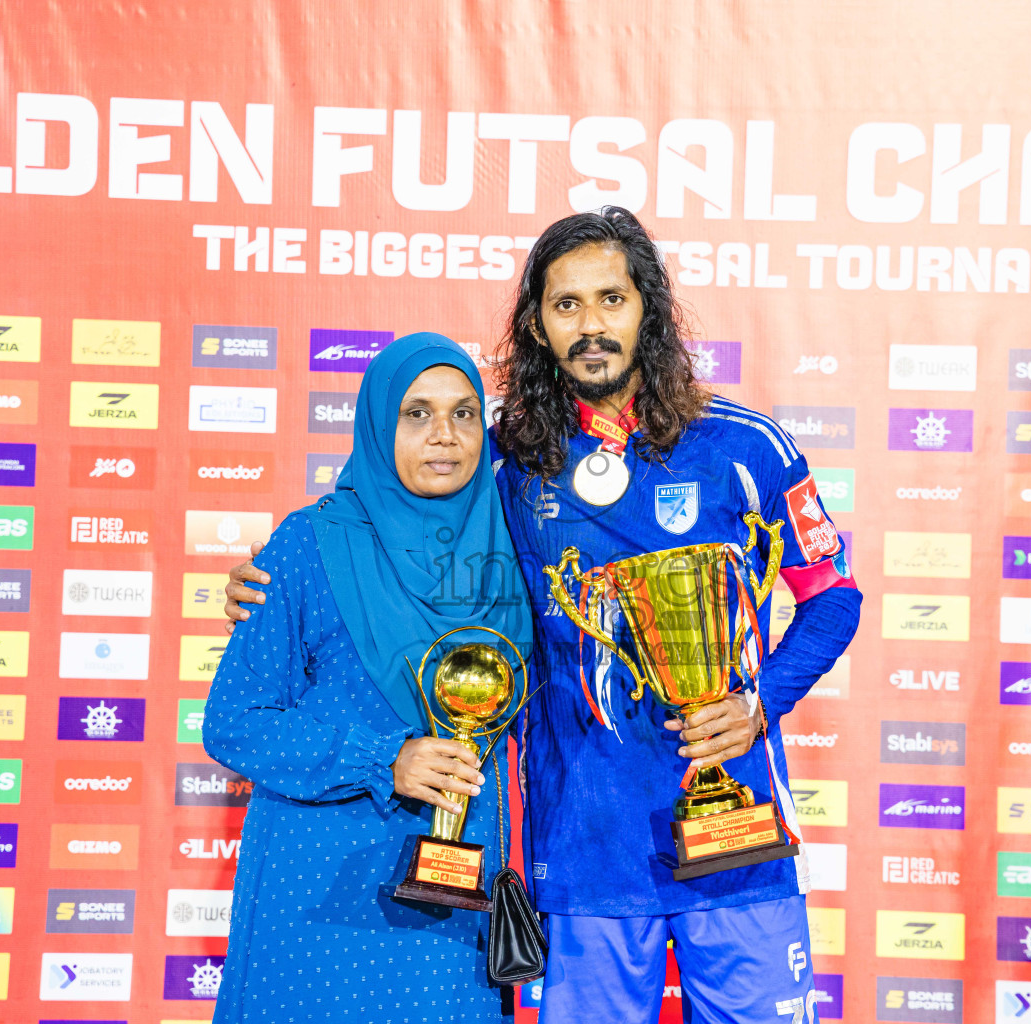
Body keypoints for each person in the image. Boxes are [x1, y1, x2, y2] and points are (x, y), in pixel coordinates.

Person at [227, 208, 862, 1024]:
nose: (591, 325)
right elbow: (388, 511)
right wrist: (269, 580)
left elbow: (831, 596)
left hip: (736, 842)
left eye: (611, 299)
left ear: (650, 309)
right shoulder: (503, 455)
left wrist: (757, 704)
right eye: (566, 305)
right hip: (580, 848)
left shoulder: (744, 448)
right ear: (535, 322)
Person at [203, 333, 534, 1024]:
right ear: (378, 424)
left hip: (453, 898)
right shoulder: (309, 543)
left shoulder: (518, 544)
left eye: (464, 413)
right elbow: (236, 720)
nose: (443, 436)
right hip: (320, 890)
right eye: (415, 414)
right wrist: (384, 758)